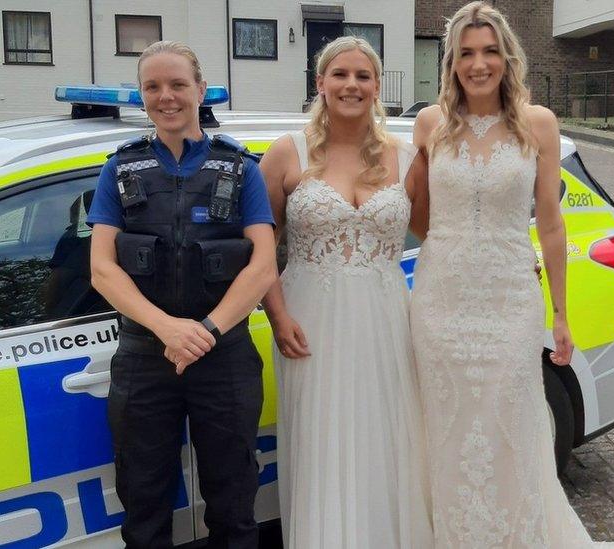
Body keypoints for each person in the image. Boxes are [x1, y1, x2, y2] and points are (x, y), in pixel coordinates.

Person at [410, 3, 614, 547]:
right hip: (441, 297)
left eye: (489, 50)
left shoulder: (538, 124)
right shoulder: (430, 123)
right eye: (466, 53)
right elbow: (418, 216)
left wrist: (561, 314)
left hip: (511, 298)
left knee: (509, 424)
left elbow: (554, 224)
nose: (478, 63)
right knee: (445, 427)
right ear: (451, 61)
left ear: (507, 56)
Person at [87, 40, 277, 548]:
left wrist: (206, 331)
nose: (165, 96)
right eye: (153, 86)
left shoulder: (241, 169)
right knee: (143, 506)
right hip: (146, 357)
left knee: (235, 504)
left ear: (200, 90)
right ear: (141, 95)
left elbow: (262, 266)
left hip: (225, 356)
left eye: (177, 84)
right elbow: (102, 270)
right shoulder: (119, 169)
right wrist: (166, 328)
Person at [258, 36, 433, 548]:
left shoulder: (407, 159)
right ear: (320, 83)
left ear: (377, 86)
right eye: (340, 74)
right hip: (308, 322)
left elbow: (437, 234)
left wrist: (508, 257)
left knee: (388, 441)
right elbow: (260, 249)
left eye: (363, 76)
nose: (351, 85)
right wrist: (276, 316)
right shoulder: (285, 153)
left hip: (386, 319)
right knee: (322, 445)